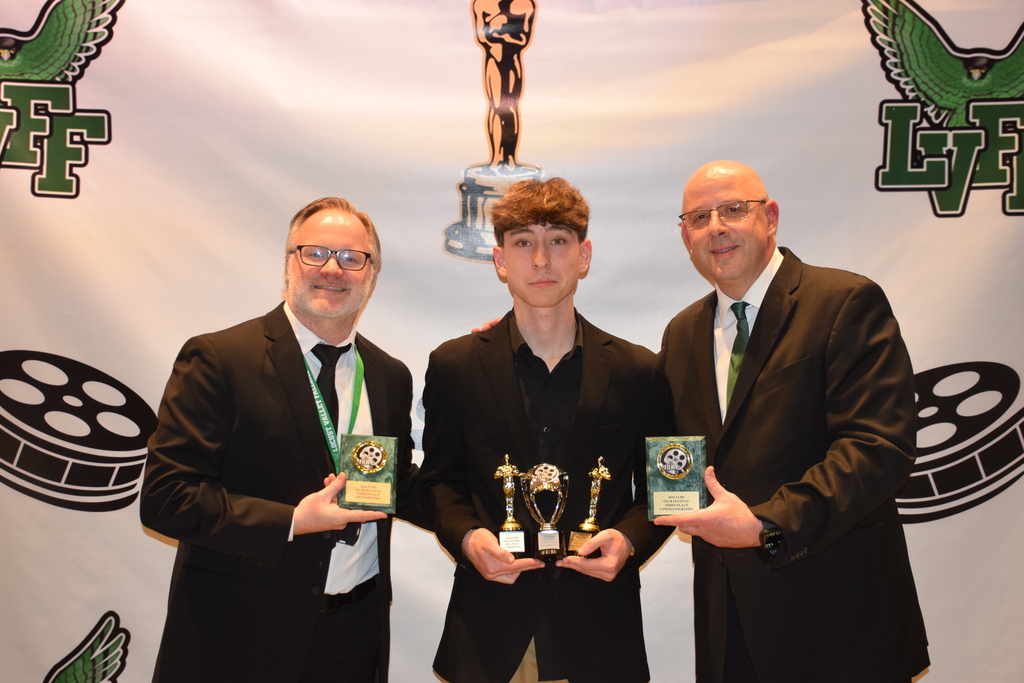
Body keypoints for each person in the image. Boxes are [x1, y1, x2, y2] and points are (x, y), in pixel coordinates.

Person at [654, 161, 929, 682]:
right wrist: (527, 338)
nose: (716, 226)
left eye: (733, 209)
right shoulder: (681, 334)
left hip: (839, 621)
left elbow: (877, 448)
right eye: (698, 217)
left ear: (771, 218)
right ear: (686, 236)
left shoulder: (844, 302)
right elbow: (667, 455)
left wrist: (765, 525)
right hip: (728, 626)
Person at [140, 197, 420, 683]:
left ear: (371, 274)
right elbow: (167, 499)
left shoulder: (390, 376)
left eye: (352, 258)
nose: (333, 269)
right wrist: (292, 521)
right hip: (239, 640)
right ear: (289, 262)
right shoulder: (220, 359)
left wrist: (473, 530)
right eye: (315, 253)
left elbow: (397, 483)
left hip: (354, 638)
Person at [420, 177, 673, 683]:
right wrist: (468, 538)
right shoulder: (455, 365)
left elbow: (663, 492)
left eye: (558, 240)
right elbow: (440, 482)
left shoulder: (638, 370)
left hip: (600, 629)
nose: (541, 260)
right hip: (489, 627)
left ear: (583, 256)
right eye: (523, 243)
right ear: (499, 261)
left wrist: (628, 540)